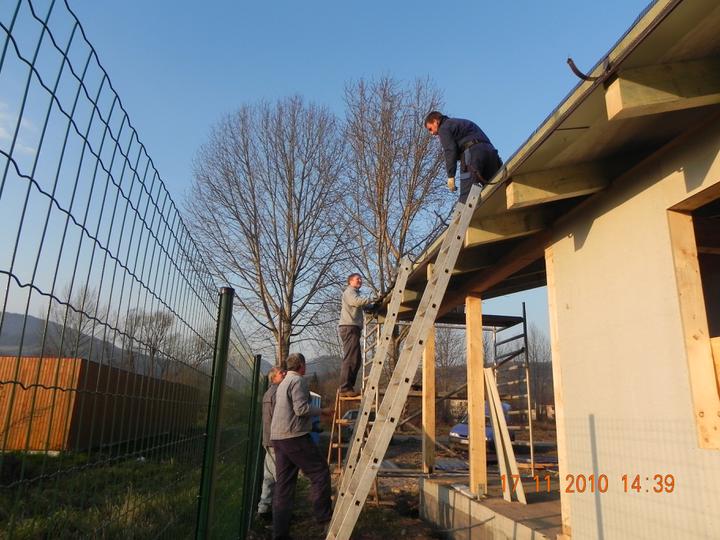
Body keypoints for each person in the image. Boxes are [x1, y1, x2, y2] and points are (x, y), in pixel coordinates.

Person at [270, 353, 332, 540]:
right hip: (294, 437)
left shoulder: (283, 383)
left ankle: (280, 535)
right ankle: (324, 518)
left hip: (278, 438)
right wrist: (323, 411)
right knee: (320, 472)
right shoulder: (298, 381)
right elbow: (301, 409)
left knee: (284, 486)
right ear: (302, 366)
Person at [424, 111, 502, 203]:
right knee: (496, 188)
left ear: (435, 121)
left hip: (473, 154)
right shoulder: (462, 122)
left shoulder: (444, 128)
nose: (431, 133)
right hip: (491, 152)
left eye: (430, 129)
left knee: (467, 197)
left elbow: (450, 150)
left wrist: (451, 175)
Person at [338, 273, 376, 397]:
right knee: (350, 358)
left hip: (352, 328)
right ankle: (345, 388)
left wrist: (374, 306)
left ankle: (348, 387)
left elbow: (364, 305)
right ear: (350, 281)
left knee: (356, 359)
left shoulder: (356, 293)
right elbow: (356, 302)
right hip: (349, 327)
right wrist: (372, 298)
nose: (360, 280)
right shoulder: (349, 292)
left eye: (360, 279)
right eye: (357, 279)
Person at [256, 366, 286, 522]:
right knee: (281, 477)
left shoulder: (268, 393)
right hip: (276, 441)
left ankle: (263, 509)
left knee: (268, 477)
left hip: (267, 439)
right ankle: (279, 514)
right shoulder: (278, 394)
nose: (285, 373)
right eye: (281, 373)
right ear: (274, 377)